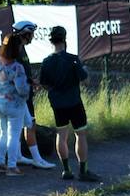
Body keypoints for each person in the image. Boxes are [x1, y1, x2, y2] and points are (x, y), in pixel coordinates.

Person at [38, 25, 98, 182]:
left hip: (58, 104)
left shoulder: (46, 61)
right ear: (64, 40)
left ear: (51, 41)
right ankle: (83, 171)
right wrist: (84, 69)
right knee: (81, 135)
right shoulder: (73, 59)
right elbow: (86, 81)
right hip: (74, 102)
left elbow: (44, 84)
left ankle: (66, 170)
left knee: (61, 134)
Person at [11, 20, 55, 169]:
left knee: (20, 126)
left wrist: (32, 82)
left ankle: (17, 156)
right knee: (30, 125)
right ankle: (37, 159)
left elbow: (23, 73)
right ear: (25, 34)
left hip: (24, 94)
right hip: (20, 97)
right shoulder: (15, 51)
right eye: (32, 34)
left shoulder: (20, 48)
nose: (33, 37)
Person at [0, 34, 30, 178]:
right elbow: (22, 89)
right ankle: (12, 167)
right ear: (16, 47)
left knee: (3, 133)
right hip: (14, 104)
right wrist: (29, 88)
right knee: (14, 135)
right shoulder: (17, 67)